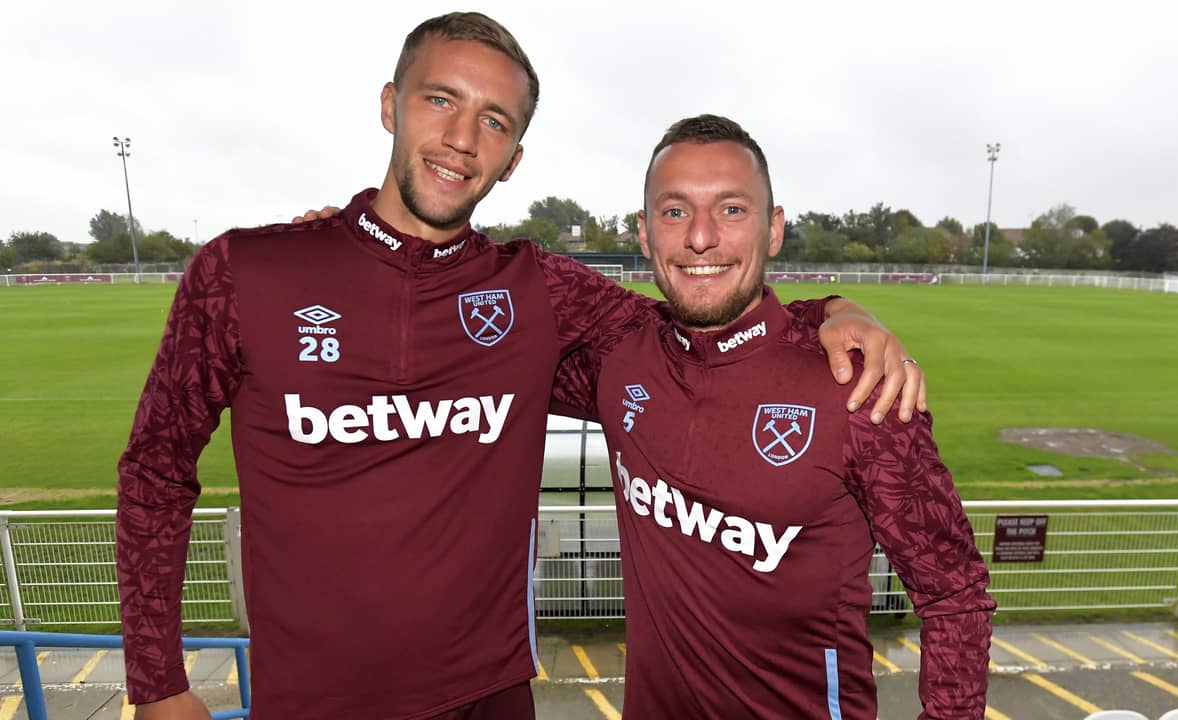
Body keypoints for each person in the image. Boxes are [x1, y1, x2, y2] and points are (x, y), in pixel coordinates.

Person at [116, 14, 925, 720]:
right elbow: (156, 469)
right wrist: (157, 681)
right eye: (441, 101)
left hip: (494, 700)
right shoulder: (244, 273)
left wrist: (831, 312)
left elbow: (701, 324)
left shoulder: (540, 290)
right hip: (313, 705)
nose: (463, 140)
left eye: (494, 121)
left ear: (513, 159)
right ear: (391, 105)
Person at [550, 115, 994, 719]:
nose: (700, 238)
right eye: (674, 212)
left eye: (731, 210)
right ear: (645, 232)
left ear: (774, 229)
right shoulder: (616, 356)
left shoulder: (858, 388)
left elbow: (955, 593)